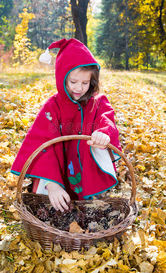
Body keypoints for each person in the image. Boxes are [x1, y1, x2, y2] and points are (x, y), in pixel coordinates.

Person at [11, 38, 121, 212]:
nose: (79, 88)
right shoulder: (52, 107)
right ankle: (53, 191)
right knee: (51, 195)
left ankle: (91, 199)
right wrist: (51, 184)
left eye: (85, 83)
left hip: (86, 168)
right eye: (73, 82)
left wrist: (103, 132)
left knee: (91, 208)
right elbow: (41, 141)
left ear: (92, 81)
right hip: (57, 172)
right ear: (62, 77)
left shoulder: (97, 103)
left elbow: (106, 119)